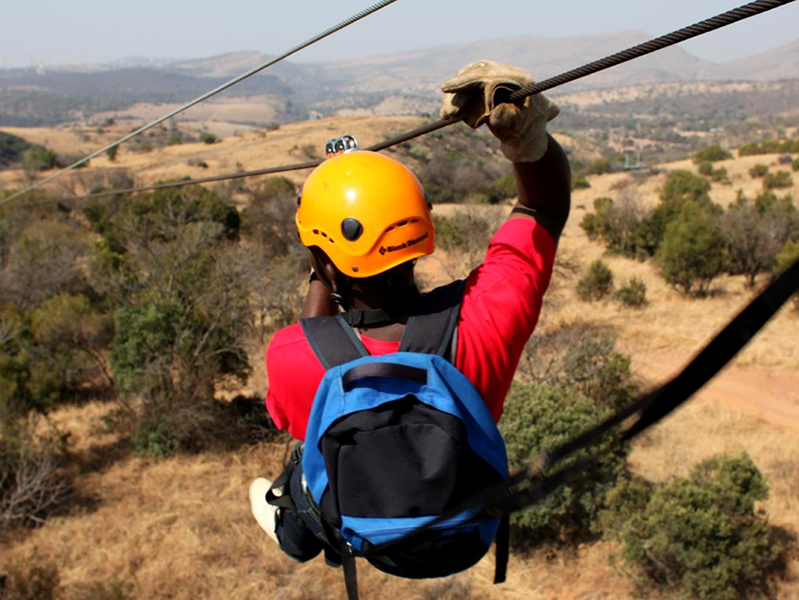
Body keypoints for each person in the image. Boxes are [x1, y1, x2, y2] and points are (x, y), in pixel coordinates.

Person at [250, 60, 571, 565]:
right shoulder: (483, 322)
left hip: (367, 533)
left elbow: (299, 402)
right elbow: (544, 209)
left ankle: (295, 531)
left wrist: (321, 264)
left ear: (321, 258)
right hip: (468, 532)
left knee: (304, 461)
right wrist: (523, 134)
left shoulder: (290, 356)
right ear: (419, 233)